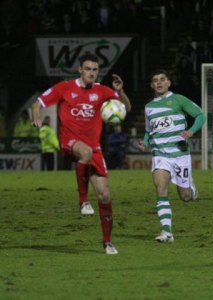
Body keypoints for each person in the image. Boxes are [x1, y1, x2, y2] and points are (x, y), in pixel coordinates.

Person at [31, 53, 132, 255]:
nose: (91, 73)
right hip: (70, 142)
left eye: (95, 70)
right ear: (80, 70)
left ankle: (107, 241)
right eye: (88, 69)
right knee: (84, 152)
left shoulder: (102, 91)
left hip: (95, 148)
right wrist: (36, 117)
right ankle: (83, 200)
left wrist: (120, 92)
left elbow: (126, 108)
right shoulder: (64, 87)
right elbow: (38, 103)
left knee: (104, 195)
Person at [137, 69, 206, 243]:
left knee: (185, 196)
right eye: (155, 80)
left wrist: (191, 131)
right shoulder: (149, 107)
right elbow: (149, 130)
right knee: (161, 188)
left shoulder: (179, 99)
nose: (159, 83)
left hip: (179, 153)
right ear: (152, 85)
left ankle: (190, 186)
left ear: (169, 82)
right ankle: (167, 232)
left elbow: (200, 115)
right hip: (160, 154)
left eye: (162, 79)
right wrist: (145, 142)